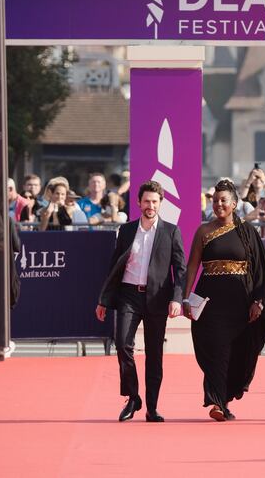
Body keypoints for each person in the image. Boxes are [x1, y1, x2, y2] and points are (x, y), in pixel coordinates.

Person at [181, 180, 265, 421]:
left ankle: (223, 400)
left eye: (224, 200)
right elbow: (192, 266)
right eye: (215, 200)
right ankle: (216, 402)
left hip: (241, 302)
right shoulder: (203, 231)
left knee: (237, 352)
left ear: (234, 204)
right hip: (209, 300)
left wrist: (258, 301)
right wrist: (184, 297)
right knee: (215, 350)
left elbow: (261, 271)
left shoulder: (247, 231)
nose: (219, 204)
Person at [95, 180, 186, 423]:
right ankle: (133, 397)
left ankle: (152, 407)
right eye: (146, 201)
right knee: (123, 344)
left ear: (160, 204)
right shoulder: (126, 231)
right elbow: (113, 268)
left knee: (154, 354)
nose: (150, 205)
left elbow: (181, 269)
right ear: (138, 203)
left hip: (157, 298)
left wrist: (177, 299)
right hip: (128, 295)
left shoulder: (171, 231)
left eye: (154, 202)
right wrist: (104, 300)